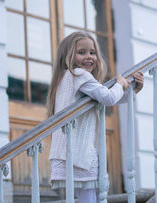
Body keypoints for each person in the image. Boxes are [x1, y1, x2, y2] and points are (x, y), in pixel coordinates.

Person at [47, 31, 144, 203]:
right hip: (79, 154)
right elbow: (108, 97)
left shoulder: (65, 78)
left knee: (94, 193)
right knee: (92, 197)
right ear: (68, 55)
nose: (89, 57)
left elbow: (106, 98)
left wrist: (132, 90)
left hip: (67, 153)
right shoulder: (79, 75)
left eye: (92, 52)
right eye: (81, 52)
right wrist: (120, 84)